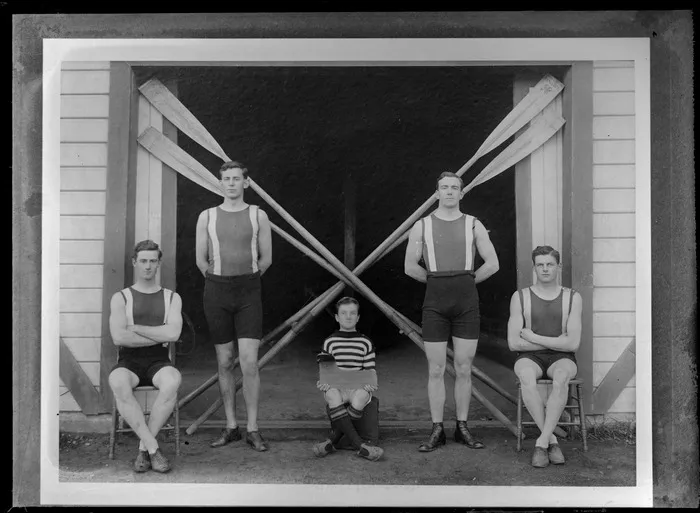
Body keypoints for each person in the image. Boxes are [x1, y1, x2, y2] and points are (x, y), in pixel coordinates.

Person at [404, 171, 500, 452]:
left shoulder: (473, 224)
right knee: (435, 368)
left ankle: (461, 426)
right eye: (443, 187)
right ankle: (437, 430)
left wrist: (466, 282)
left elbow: (492, 263)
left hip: (466, 303)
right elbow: (410, 266)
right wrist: (438, 283)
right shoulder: (422, 226)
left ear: (461, 193)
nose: (448, 192)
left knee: (463, 367)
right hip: (435, 302)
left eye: (454, 187)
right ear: (436, 193)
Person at [196, 160, 272, 451]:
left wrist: (245, 281)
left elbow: (266, 259)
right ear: (220, 183)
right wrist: (219, 280)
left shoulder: (258, 215)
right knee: (225, 361)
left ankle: (253, 428)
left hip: (248, 292)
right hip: (216, 291)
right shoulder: (207, 216)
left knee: (250, 362)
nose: (231, 183)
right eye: (226, 178)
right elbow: (200, 260)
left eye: (236, 178)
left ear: (246, 182)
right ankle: (231, 426)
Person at [108, 240, 183, 473]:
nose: (148, 266)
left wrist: (136, 328)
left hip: (158, 359)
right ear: (135, 263)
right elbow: (119, 338)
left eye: (152, 261)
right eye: (143, 261)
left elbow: (173, 333)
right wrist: (158, 334)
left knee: (172, 381)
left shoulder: (172, 298)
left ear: (159, 263)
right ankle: (152, 448)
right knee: (118, 382)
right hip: (128, 360)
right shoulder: (121, 297)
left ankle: (143, 448)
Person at [507, 245, 582, 468]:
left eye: (550, 264)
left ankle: (541, 443)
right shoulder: (520, 297)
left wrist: (533, 336)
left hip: (563, 357)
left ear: (558, 267)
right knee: (526, 378)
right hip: (530, 357)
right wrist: (556, 341)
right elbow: (513, 343)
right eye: (540, 265)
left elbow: (573, 343)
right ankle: (551, 440)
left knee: (561, 378)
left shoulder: (572, 297)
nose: (545, 269)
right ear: (534, 268)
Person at [312, 297, 384, 462]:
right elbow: (327, 371)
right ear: (337, 317)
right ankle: (360, 446)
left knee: (362, 395)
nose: (348, 316)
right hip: (338, 388)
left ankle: (332, 441)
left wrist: (369, 384)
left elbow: (369, 371)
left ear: (358, 317)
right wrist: (324, 383)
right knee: (331, 393)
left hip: (356, 389)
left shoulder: (365, 342)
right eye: (343, 313)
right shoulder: (330, 342)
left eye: (353, 313)